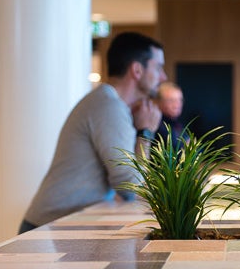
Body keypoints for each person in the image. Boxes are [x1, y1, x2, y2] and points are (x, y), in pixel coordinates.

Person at [18, 32, 167, 233]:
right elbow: (131, 187)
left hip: (56, 226)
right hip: (47, 230)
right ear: (137, 70)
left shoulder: (108, 103)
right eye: (158, 67)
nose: (163, 77)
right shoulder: (109, 107)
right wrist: (146, 133)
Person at [154, 81, 185, 148]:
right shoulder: (156, 126)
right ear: (158, 102)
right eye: (171, 100)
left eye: (180, 100)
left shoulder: (177, 124)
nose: (177, 105)